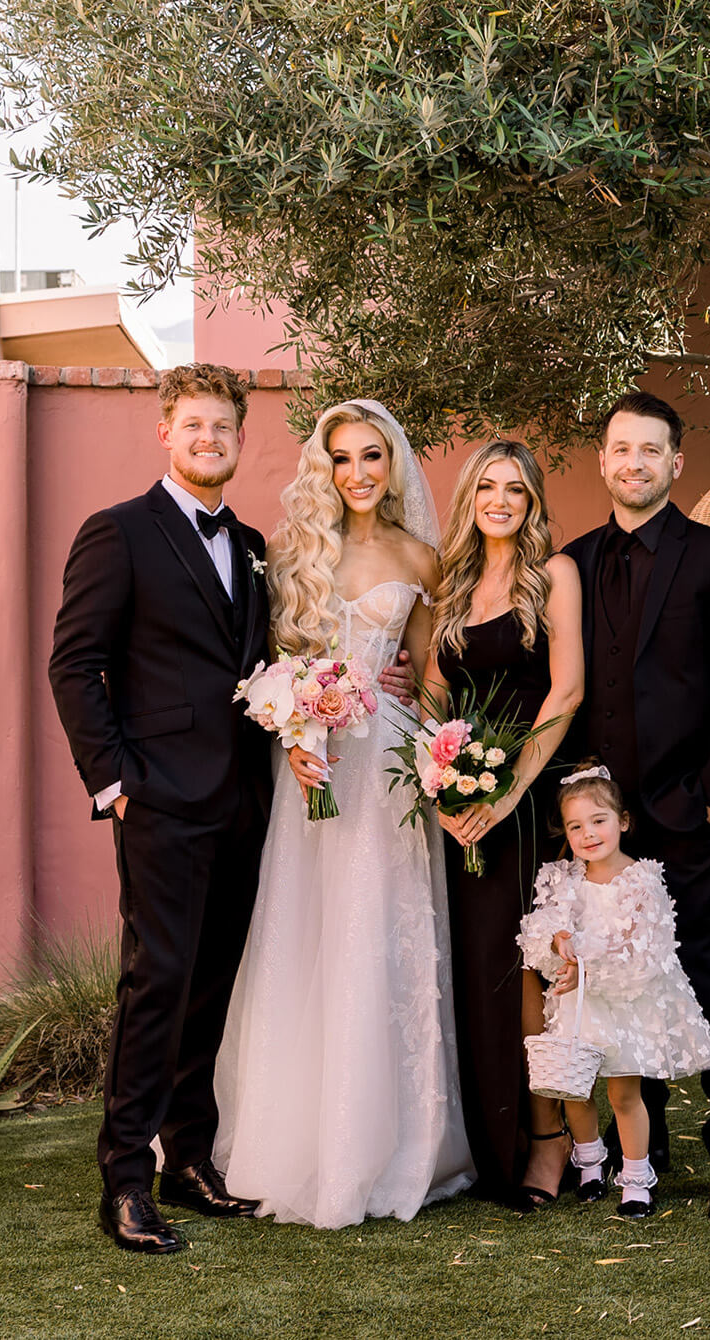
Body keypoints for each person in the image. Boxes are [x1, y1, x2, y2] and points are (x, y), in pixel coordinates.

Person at [213, 400, 474, 1228]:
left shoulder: (422, 558)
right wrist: (292, 721)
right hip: (311, 763)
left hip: (388, 770)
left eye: (372, 457)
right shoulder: (291, 554)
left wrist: (415, 702)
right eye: (343, 459)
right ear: (322, 468)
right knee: (307, 935)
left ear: (393, 464)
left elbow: (430, 670)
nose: (358, 473)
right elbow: (273, 663)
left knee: (381, 935)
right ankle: (292, 1139)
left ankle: (396, 1144)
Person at [48, 363, 273, 1254]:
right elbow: (75, 665)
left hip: (243, 799)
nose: (209, 440)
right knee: (156, 985)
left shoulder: (252, 542)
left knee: (211, 983)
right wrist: (114, 784)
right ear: (165, 434)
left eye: (223, 427)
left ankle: (190, 1155)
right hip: (159, 801)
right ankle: (126, 1182)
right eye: (194, 427)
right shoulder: (119, 532)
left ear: (239, 437)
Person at [562, 391, 710, 1221]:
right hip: (602, 834)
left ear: (675, 463)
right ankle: (631, 1156)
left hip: (688, 819)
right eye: (621, 448)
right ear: (603, 458)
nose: (634, 463)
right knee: (615, 987)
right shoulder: (573, 563)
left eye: (651, 451)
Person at [423, 441, 585, 1208]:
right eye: (486, 486)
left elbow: (567, 691)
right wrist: (440, 778)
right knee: (470, 970)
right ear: (469, 499)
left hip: (522, 804)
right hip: (460, 804)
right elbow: (431, 689)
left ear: (531, 503)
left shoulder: (553, 576)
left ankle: (546, 1145)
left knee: (524, 975)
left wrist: (512, 788)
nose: (499, 500)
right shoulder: (451, 585)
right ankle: (484, 1147)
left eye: (514, 490)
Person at [518, 764, 710, 1217]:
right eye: (575, 826)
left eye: (599, 820)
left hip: (623, 1002)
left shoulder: (640, 880)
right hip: (579, 1002)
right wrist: (558, 941)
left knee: (623, 1095)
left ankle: (635, 1177)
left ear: (622, 821)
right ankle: (589, 1163)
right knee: (575, 1089)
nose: (588, 834)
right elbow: (541, 927)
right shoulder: (566, 879)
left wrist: (583, 962)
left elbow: (639, 947)